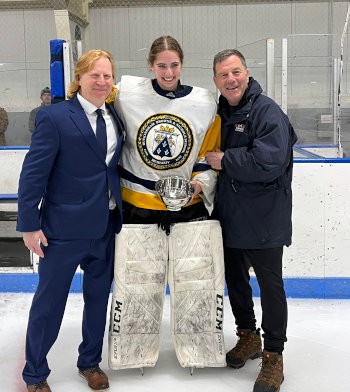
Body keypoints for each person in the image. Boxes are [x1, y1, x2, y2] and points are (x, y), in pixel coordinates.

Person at [108, 35, 226, 372]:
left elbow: (206, 156)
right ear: (150, 65)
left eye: (174, 65)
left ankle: (200, 350)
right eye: (162, 65)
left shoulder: (204, 102)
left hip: (188, 210)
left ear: (182, 65)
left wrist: (197, 185)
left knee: (196, 284)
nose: (169, 71)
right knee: (137, 284)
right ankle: (132, 351)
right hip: (138, 209)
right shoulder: (127, 93)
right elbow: (96, 99)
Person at [16, 49, 125, 392]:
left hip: (105, 227)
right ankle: (35, 374)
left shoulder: (114, 116)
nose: (102, 82)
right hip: (61, 230)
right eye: (95, 75)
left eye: (107, 75)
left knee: (98, 300)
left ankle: (89, 362)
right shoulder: (57, 117)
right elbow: (33, 174)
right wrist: (30, 224)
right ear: (79, 78)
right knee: (49, 304)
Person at [206, 49, 297, 392]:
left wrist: (225, 159)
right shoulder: (221, 112)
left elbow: (269, 161)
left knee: (271, 288)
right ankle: (248, 336)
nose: (231, 79)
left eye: (236, 72)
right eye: (223, 75)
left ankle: (274, 355)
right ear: (216, 80)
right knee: (236, 282)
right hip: (230, 217)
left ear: (247, 72)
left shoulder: (266, 111)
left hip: (265, 220)